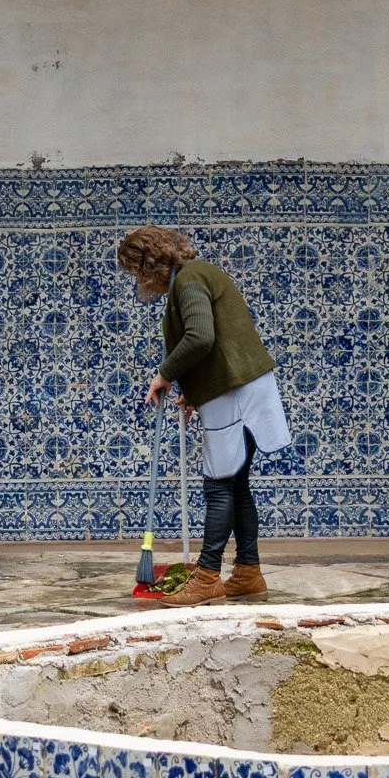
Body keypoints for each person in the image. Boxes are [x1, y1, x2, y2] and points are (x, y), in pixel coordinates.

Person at [116, 226, 292, 606]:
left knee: (219, 484)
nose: (138, 280)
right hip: (241, 388)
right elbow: (217, 343)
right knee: (236, 483)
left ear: (150, 264)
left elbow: (200, 337)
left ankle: (209, 575)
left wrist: (165, 374)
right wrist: (193, 393)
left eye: (136, 271)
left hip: (236, 394)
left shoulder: (190, 281)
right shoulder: (201, 274)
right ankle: (248, 572)